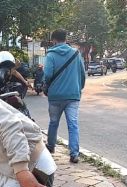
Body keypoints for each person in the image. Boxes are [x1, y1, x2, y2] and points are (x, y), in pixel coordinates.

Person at [44, 29, 86, 163]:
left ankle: (51, 147)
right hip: (73, 95)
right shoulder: (76, 53)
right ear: (65, 38)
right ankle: (74, 154)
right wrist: (78, 89)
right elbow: (82, 74)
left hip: (55, 95)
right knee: (73, 124)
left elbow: (48, 75)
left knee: (53, 122)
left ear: (54, 40)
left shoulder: (50, 55)